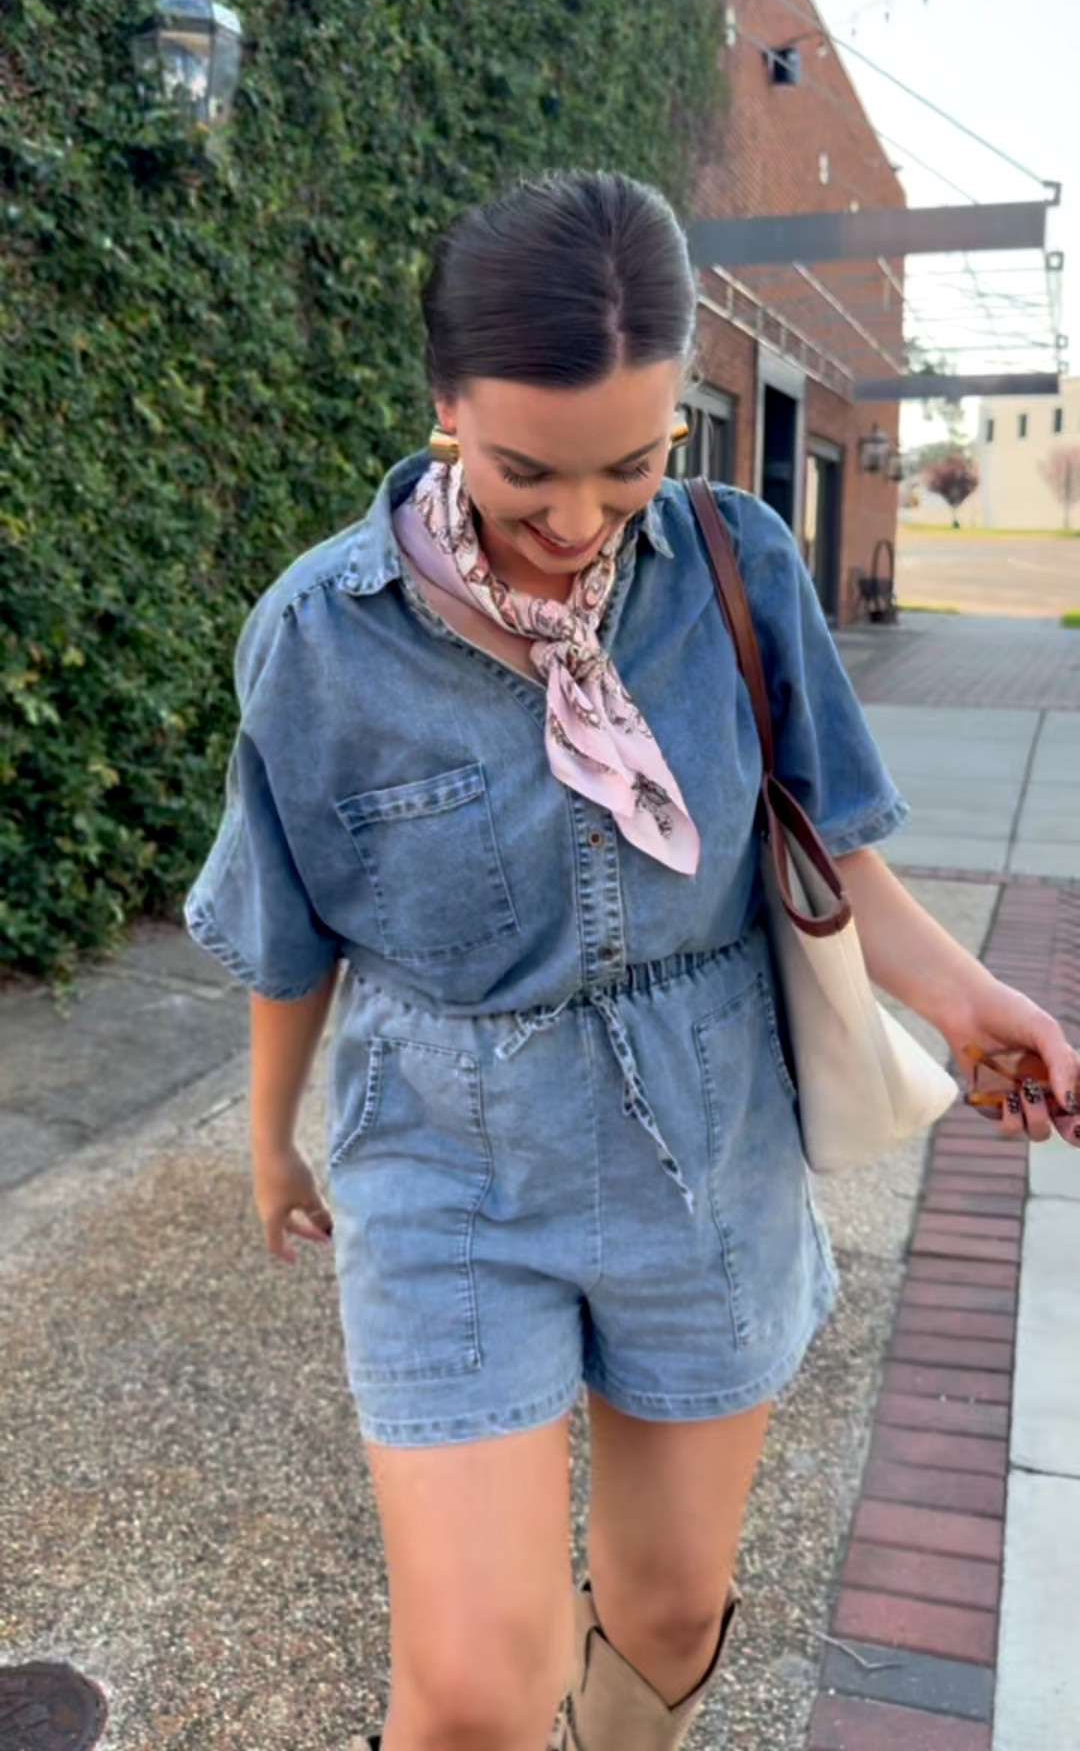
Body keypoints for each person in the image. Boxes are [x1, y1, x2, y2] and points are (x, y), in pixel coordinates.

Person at [184, 169, 1080, 1751]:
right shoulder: (323, 636)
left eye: (634, 467)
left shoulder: (735, 565)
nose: (580, 522)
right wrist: (271, 1146)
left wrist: (971, 1000)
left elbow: (827, 848)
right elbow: (286, 925)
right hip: (447, 1155)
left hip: (707, 1139)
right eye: (530, 470)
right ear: (445, 401)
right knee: (469, 1693)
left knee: (666, 1612)